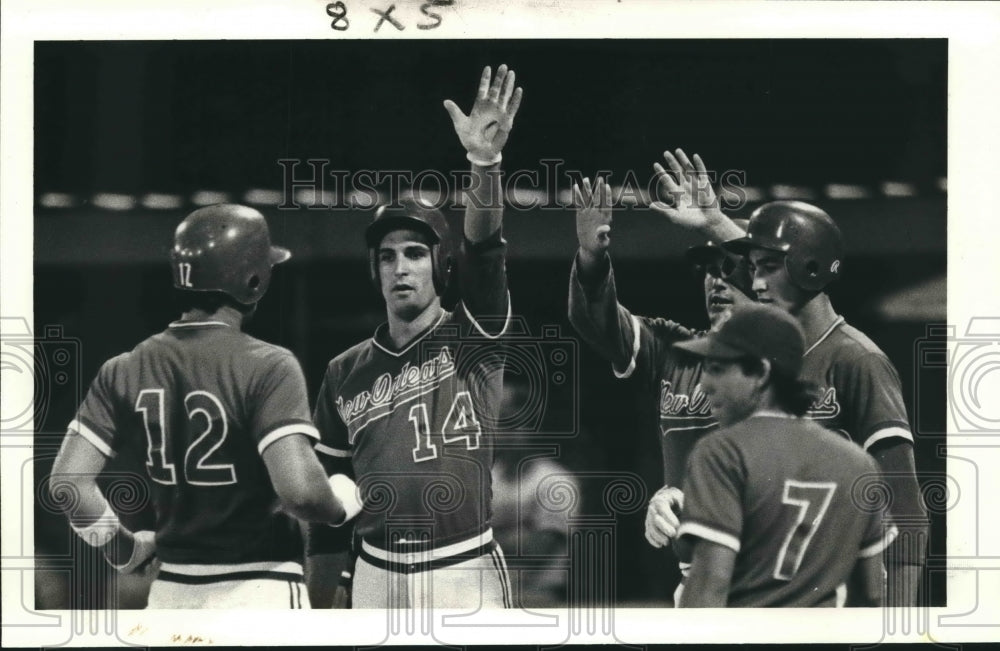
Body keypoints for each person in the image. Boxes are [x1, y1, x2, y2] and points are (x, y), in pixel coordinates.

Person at [49, 203, 361, 609]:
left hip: (171, 593)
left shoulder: (123, 368)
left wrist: (121, 550)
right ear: (254, 280)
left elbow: (67, 485)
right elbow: (301, 493)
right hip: (259, 591)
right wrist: (338, 508)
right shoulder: (269, 365)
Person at [652, 147, 928, 606]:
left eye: (763, 270)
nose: (753, 284)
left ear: (809, 270)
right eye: (752, 268)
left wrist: (895, 628)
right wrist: (713, 221)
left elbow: (908, 515)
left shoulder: (857, 360)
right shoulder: (769, 357)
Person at [307, 64, 522, 609]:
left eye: (414, 253)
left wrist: (484, 162)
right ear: (374, 271)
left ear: (441, 265)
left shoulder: (475, 331)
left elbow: (487, 244)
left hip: (463, 563)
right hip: (374, 569)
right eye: (387, 256)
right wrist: (320, 601)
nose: (400, 268)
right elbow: (328, 501)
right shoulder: (342, 371)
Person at [567, 176, 755, 599]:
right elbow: (597, 323)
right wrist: (591, 256)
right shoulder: (677, 352)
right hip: (697, 580)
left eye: (731, 268)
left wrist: (716, 222)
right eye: (709, 269)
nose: (716, 281)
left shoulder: (794, 362)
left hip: (772, 577)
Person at [673, 303, 897, 607]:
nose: (704, 385)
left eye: (716, 369)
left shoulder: (722, 451)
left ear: (762, 372)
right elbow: (874, 597)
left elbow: (709, 589)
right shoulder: (860, 464)